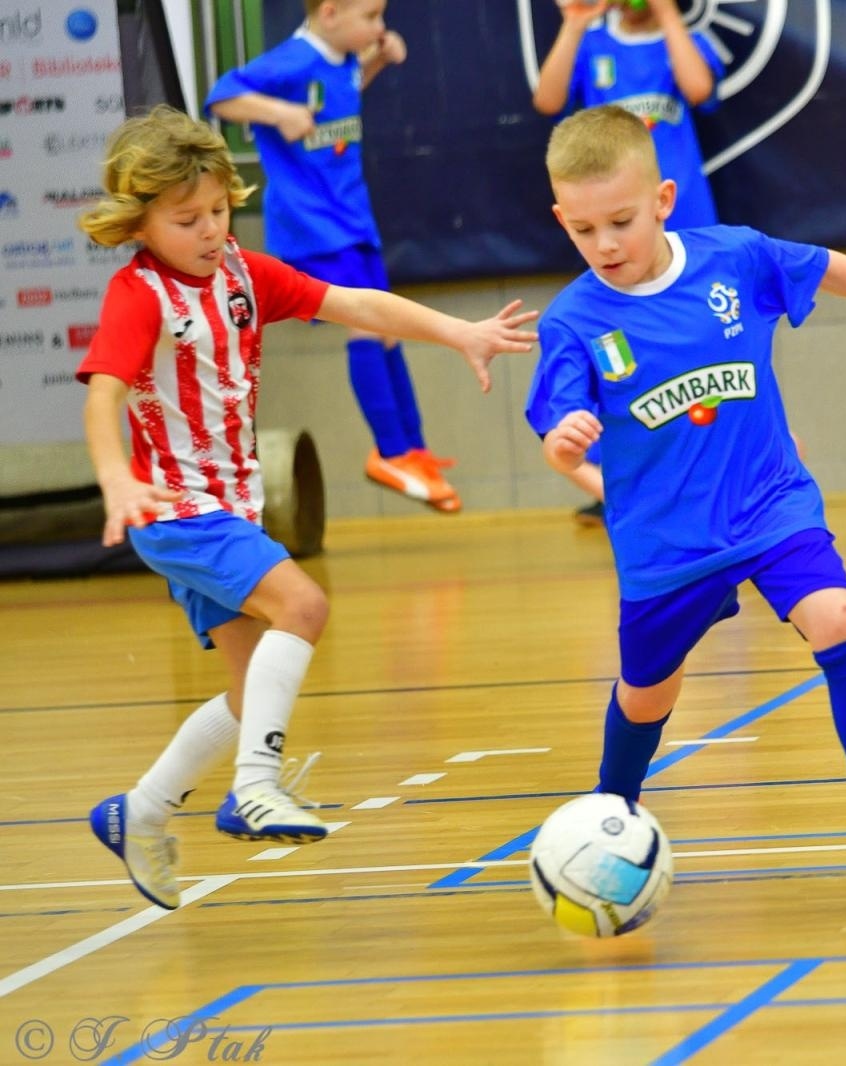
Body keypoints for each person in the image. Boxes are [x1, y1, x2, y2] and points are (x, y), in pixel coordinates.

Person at [77, 106, 536, 910]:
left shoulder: (244, 276)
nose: (210, 229)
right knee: (305, 604)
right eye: (187, 220)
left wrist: (458, 332)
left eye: (218, 210)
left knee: (248, 691)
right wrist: (115, 477)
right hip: (178, 510)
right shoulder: (139, 294)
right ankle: (256, 788)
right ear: (139, 222)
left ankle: (139, 811)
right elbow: (103, 395)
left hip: (231, 510)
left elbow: (360, 305)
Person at [527, 106, 846, 870]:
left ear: (664, 200)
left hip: (769, 503)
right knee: (647, 696)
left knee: (838, 616)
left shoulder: (733, 258)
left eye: (622, 222)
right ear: (561, 219)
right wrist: (563, 439)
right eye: (584, 229)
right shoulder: (573, 321)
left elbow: (822, 266)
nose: (605, 245)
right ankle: (610, 813)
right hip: (666, 541)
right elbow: (556, 422)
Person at [205, 0, 465, 511]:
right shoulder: (292, 60)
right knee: (366, 324)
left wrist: (376, 60)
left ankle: (413, 448)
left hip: (353, 218)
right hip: (315, 225)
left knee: (389, 327)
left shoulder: (343, 60)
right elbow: (221, 96)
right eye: (370, 17)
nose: (379, 26)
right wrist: (279, 113)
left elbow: (339, 98)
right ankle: (391, 452)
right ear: (329, 14)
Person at [533, 0, 724, 524]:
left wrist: (667, 15)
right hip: (620, 242)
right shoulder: (594, 44)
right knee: (619, 360)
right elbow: (548, 99)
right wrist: (575, 23)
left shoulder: (683, 41)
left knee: (697, 345)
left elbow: (699, 89)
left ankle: (709, 469)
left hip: (681, 228)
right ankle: (619, 479)